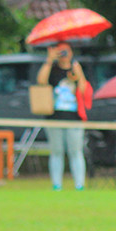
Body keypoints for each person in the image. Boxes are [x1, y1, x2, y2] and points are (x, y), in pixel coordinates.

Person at [36, 42, 89, 190]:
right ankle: (56, 185)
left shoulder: (76, 68)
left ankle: (79, 185)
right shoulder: (52, 69)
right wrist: (49, 60)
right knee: (56, 152)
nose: (64, 54)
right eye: (60, 51)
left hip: (74, 118)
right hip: (54, 118)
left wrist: (79, 74)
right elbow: (41, 81)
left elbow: (84, 90)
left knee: (76, 152)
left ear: (71, 52)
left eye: (66, 51)